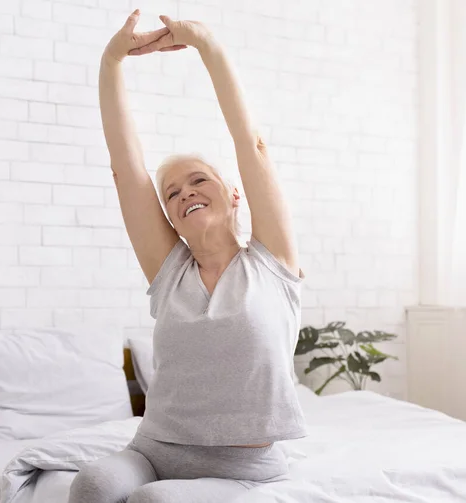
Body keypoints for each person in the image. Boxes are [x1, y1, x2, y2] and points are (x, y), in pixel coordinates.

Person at [68, 9, 307, 503]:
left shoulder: (272, 264)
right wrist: (111, 62)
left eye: (199, 180)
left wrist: (207, 46)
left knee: (154, 502)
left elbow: (254, 145)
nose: (185, 193)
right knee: (92, 485)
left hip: (247, 462)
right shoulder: (171, 271)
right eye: (172, 193)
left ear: (234, 194)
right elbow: (125, 168)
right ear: (170, 217)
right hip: (155, 450)